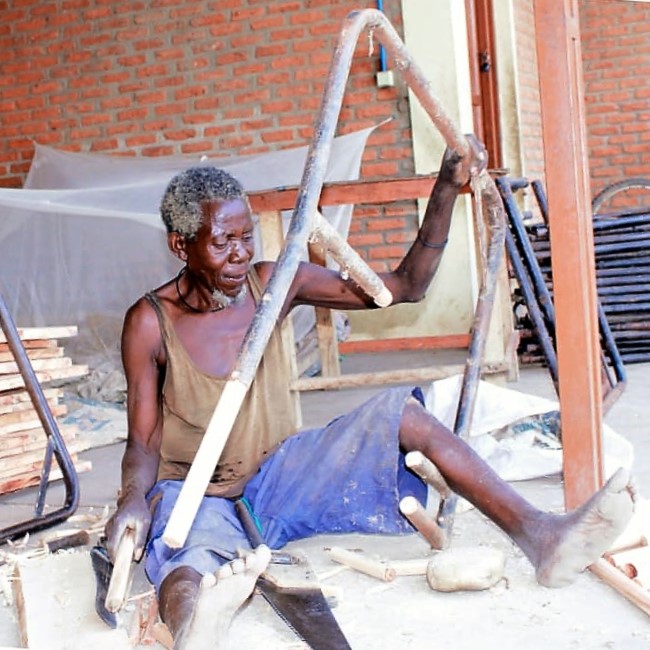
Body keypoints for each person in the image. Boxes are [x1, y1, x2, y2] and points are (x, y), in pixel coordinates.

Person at [105, 138, 636, 650]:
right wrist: (132, 499)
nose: (239, 255)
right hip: (199, 494)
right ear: (181, 243)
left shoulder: (274, 281)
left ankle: (541, 536)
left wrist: (446, 188)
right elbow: (144, 443)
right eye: (222, 243)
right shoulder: (150, 323)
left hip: (283, 475)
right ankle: (196, 626)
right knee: (185, 554)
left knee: (400, 413)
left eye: (246, 237)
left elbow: (405, 286)